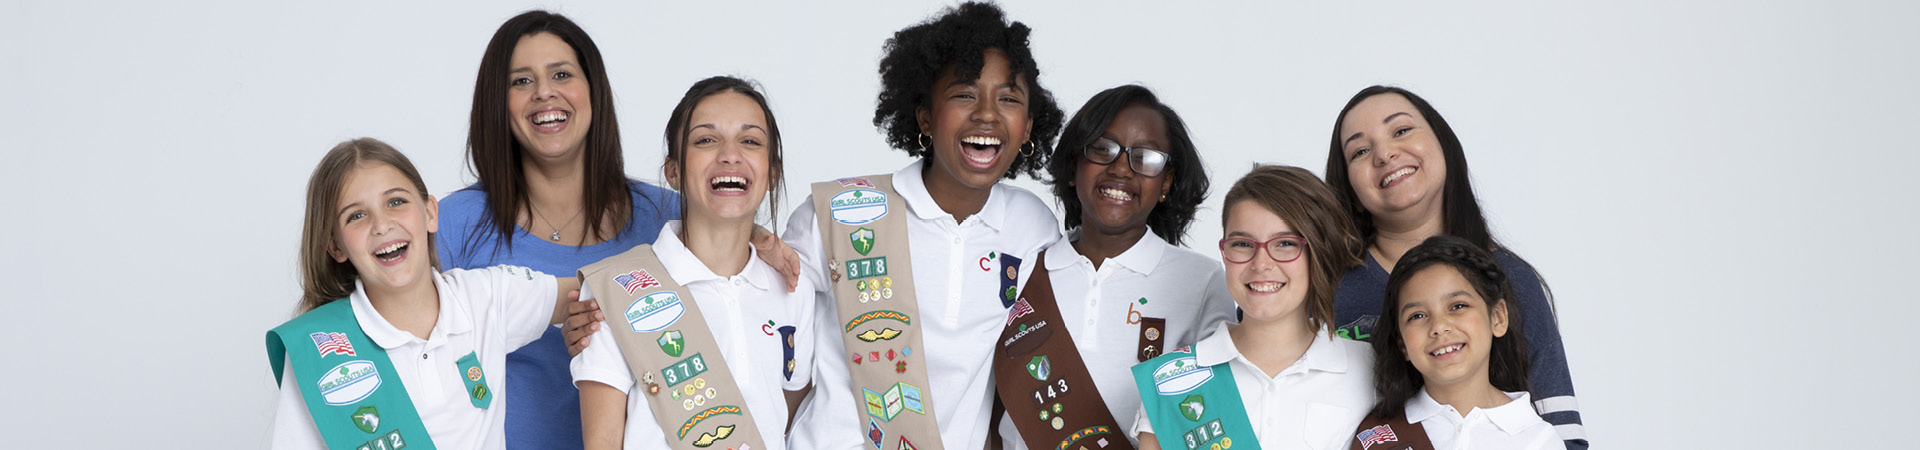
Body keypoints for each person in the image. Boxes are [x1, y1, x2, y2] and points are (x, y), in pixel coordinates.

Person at [436, 12, 798, 449]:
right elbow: (410, 344)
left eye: (561, 74)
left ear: (593, 92)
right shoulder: (454, 224)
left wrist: (761, 239)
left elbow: (724, 220)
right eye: (521, 81)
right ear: (498, 101)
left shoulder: (661, 215)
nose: (545, 92)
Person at [781, 3, 1066, 449]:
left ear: (1028, 127)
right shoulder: (836, 211)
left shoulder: (1032, 227)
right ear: (925, 118)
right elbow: (768, 336)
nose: (988, 114)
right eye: (965, 94)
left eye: (1008, 99)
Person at [267, 138, 581, 450]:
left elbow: (592, 292)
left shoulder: (486, 297)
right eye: (356, 216)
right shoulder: (316, 350)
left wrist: (580, 319)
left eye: (395, 202)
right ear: (335, 245)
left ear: (430, 213)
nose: (382, 225)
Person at [1324, 86, 1585, 448]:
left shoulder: (1513, 280)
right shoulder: (1320, 287)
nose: (1384, 154)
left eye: (1400, 131)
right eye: (1361, 151)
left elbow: (1564, 436)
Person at [570, 76, 816, 450]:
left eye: (750, 141)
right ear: (673, 172)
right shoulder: (615, 288)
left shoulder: (792, 287)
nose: (730, 154)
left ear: (772, 173)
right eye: (706, 140)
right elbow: (602, 441)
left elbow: (788, 417)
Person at [993, 84, 1233, 450]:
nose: (1121, 168)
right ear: (1074, 165)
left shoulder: (1201, 281)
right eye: (1103, 149)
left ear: (1166, 182)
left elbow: (1214, 419)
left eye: (1147, 157)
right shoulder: (1025, 267)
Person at [1131, 165, 1374, 450]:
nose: (1261, 264)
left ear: (1319, 251)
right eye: (1243, 244)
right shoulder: (1169, 379)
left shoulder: (1369, 367)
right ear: (1224, 251)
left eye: (1285, 243)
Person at [1349, 235, 1564, 450]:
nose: (1439, 326)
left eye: (1458, 306)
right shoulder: (1376, 436)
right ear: (1402, 344)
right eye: (1417, 316)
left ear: (1497, 317)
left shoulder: (1539, 440)